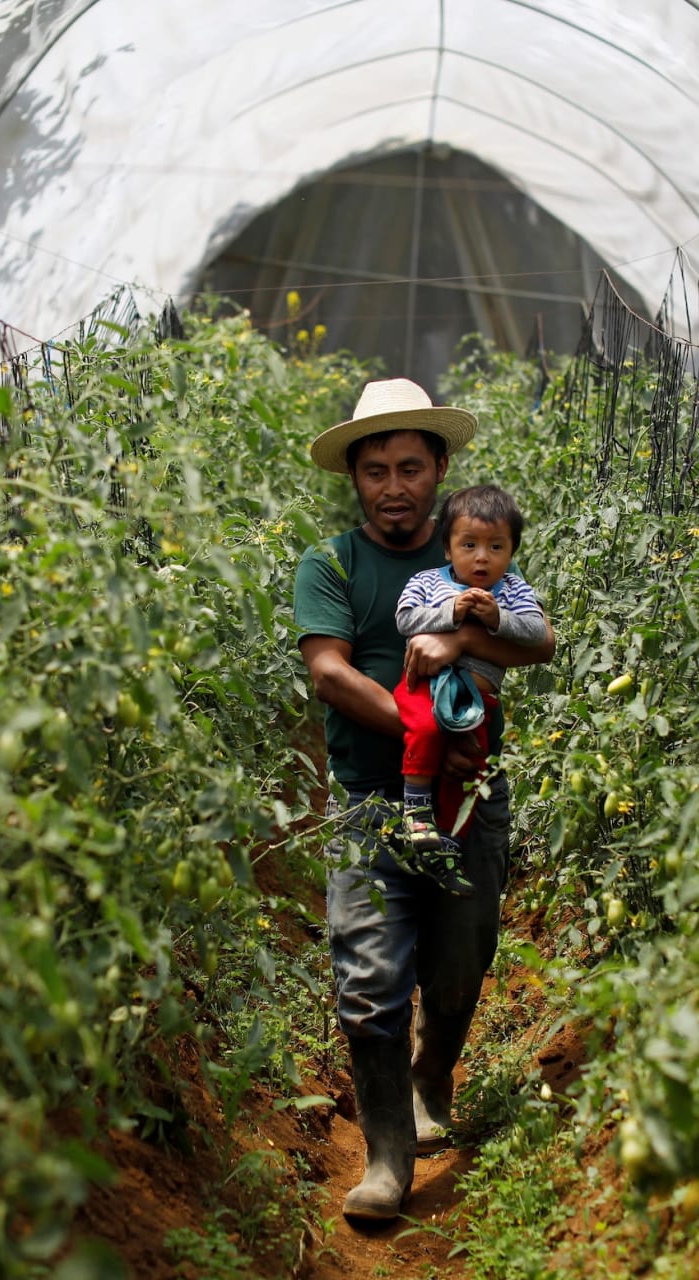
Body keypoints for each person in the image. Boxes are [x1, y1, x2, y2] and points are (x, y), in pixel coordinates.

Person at [292, 378, 555, 1223]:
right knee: (369, 985)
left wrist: (457, 642)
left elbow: (532, 643)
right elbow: (330, 671)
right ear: (355, 479)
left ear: (440, 467)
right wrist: (422, 722)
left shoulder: (474, 552)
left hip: (472, 802)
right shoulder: (331, 564)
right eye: (376, 471)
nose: (394, 485)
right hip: (372, 801)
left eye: (411, 465)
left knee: (456, 971)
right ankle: (385, 1162)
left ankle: (432, 1073)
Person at [393, 485, 548, 886]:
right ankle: (416, 808)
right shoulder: (428, 582)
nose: (483, 557)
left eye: (496, 547)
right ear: (448, 549)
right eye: (469, 545)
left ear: (511, 552)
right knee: (425, 732)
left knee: (471, 767)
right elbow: (405, 620)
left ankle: (447, 842)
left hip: (478, 700)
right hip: (426, 690)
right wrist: (450, 613)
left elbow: (535, 633)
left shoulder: (512, 591)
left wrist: (498, 618)